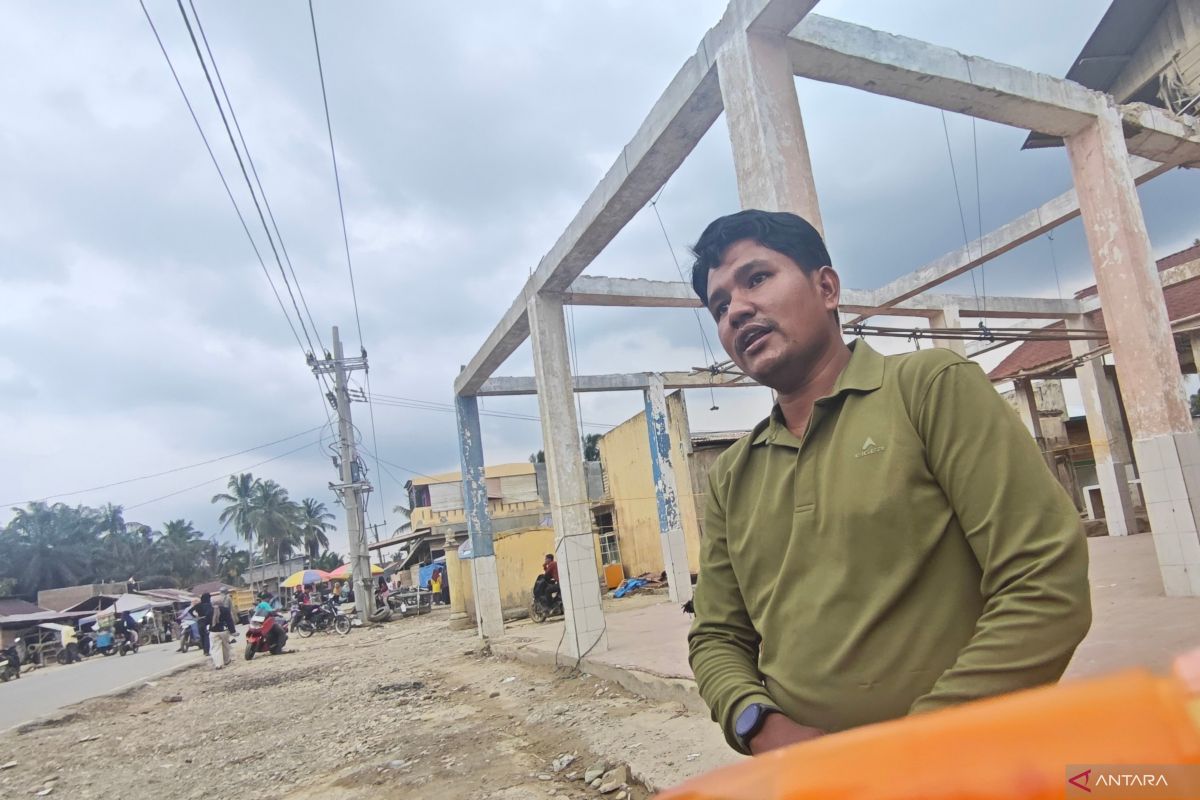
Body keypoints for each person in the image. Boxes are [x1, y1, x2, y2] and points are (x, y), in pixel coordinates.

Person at [685, 210, 1091, 756]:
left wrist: (911, 751)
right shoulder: (732, 473)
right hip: (809, 784)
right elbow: (716, 636)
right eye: (719, 305)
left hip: (968, 769)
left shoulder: (929, 389)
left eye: (756, 278)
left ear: (826, 287)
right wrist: (757, 724)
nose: (736, 310)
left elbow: (1044, 583)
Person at [209, 590, 237, 670]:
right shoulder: (225, 610)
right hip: (224, 631)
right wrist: (233, 631)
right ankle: (227, 660)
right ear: (221, 602)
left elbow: (207, 621)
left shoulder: (210, 611)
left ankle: (218, 664)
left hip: (213, 632)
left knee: (215, 648)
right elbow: (229, 621)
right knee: (225, 646)